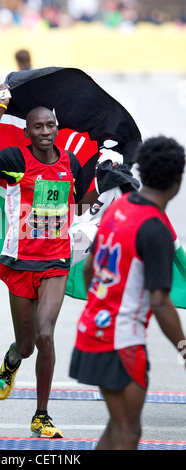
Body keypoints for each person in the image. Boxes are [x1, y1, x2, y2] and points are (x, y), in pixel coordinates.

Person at [0, 83, 92, 438]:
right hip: (21, 261)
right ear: (28, 132)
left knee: (45, 334)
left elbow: (78, 207)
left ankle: (41, 414)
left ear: (57, 128)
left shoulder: (69, 161)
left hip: (56, 261)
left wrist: (106, 186)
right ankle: (11, 359)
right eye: (38, 127)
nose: (45, 132)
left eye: (50, 126)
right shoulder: (15, 159)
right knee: (26, 346)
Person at [69, 135, 186, 450]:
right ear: (177, 180)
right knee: (128, 433)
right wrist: (184, 349)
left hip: (92, 330)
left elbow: (88, 269)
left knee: (116, 426)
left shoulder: (118, 208)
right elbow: (160, 302)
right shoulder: (155, 227)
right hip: (121, 343)